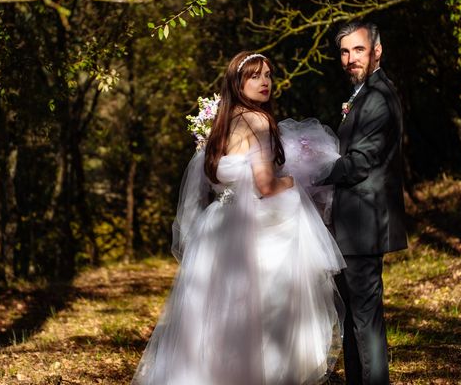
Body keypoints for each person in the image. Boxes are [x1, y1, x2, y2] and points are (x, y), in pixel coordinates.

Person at [132, 51, 346, 385]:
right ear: (237, 81)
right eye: (255, 75)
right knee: (263, 323)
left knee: (214, 325)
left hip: (217, 227)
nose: (265, 82)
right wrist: (294, 181)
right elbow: (265, 185)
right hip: (253, 231)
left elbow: (216, 178)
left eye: (269, 75)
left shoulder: (223, 122)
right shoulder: (259, 122)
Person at [328, 21, 408, 385]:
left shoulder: (378, 96)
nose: (350, 58)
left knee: (365, 322)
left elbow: (360, 162)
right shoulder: (362, 93)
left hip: (363, 225)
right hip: (353, 225)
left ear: (376, 51)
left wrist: (312, 171)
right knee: (354, 319)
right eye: (344, 51)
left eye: (358, 50)